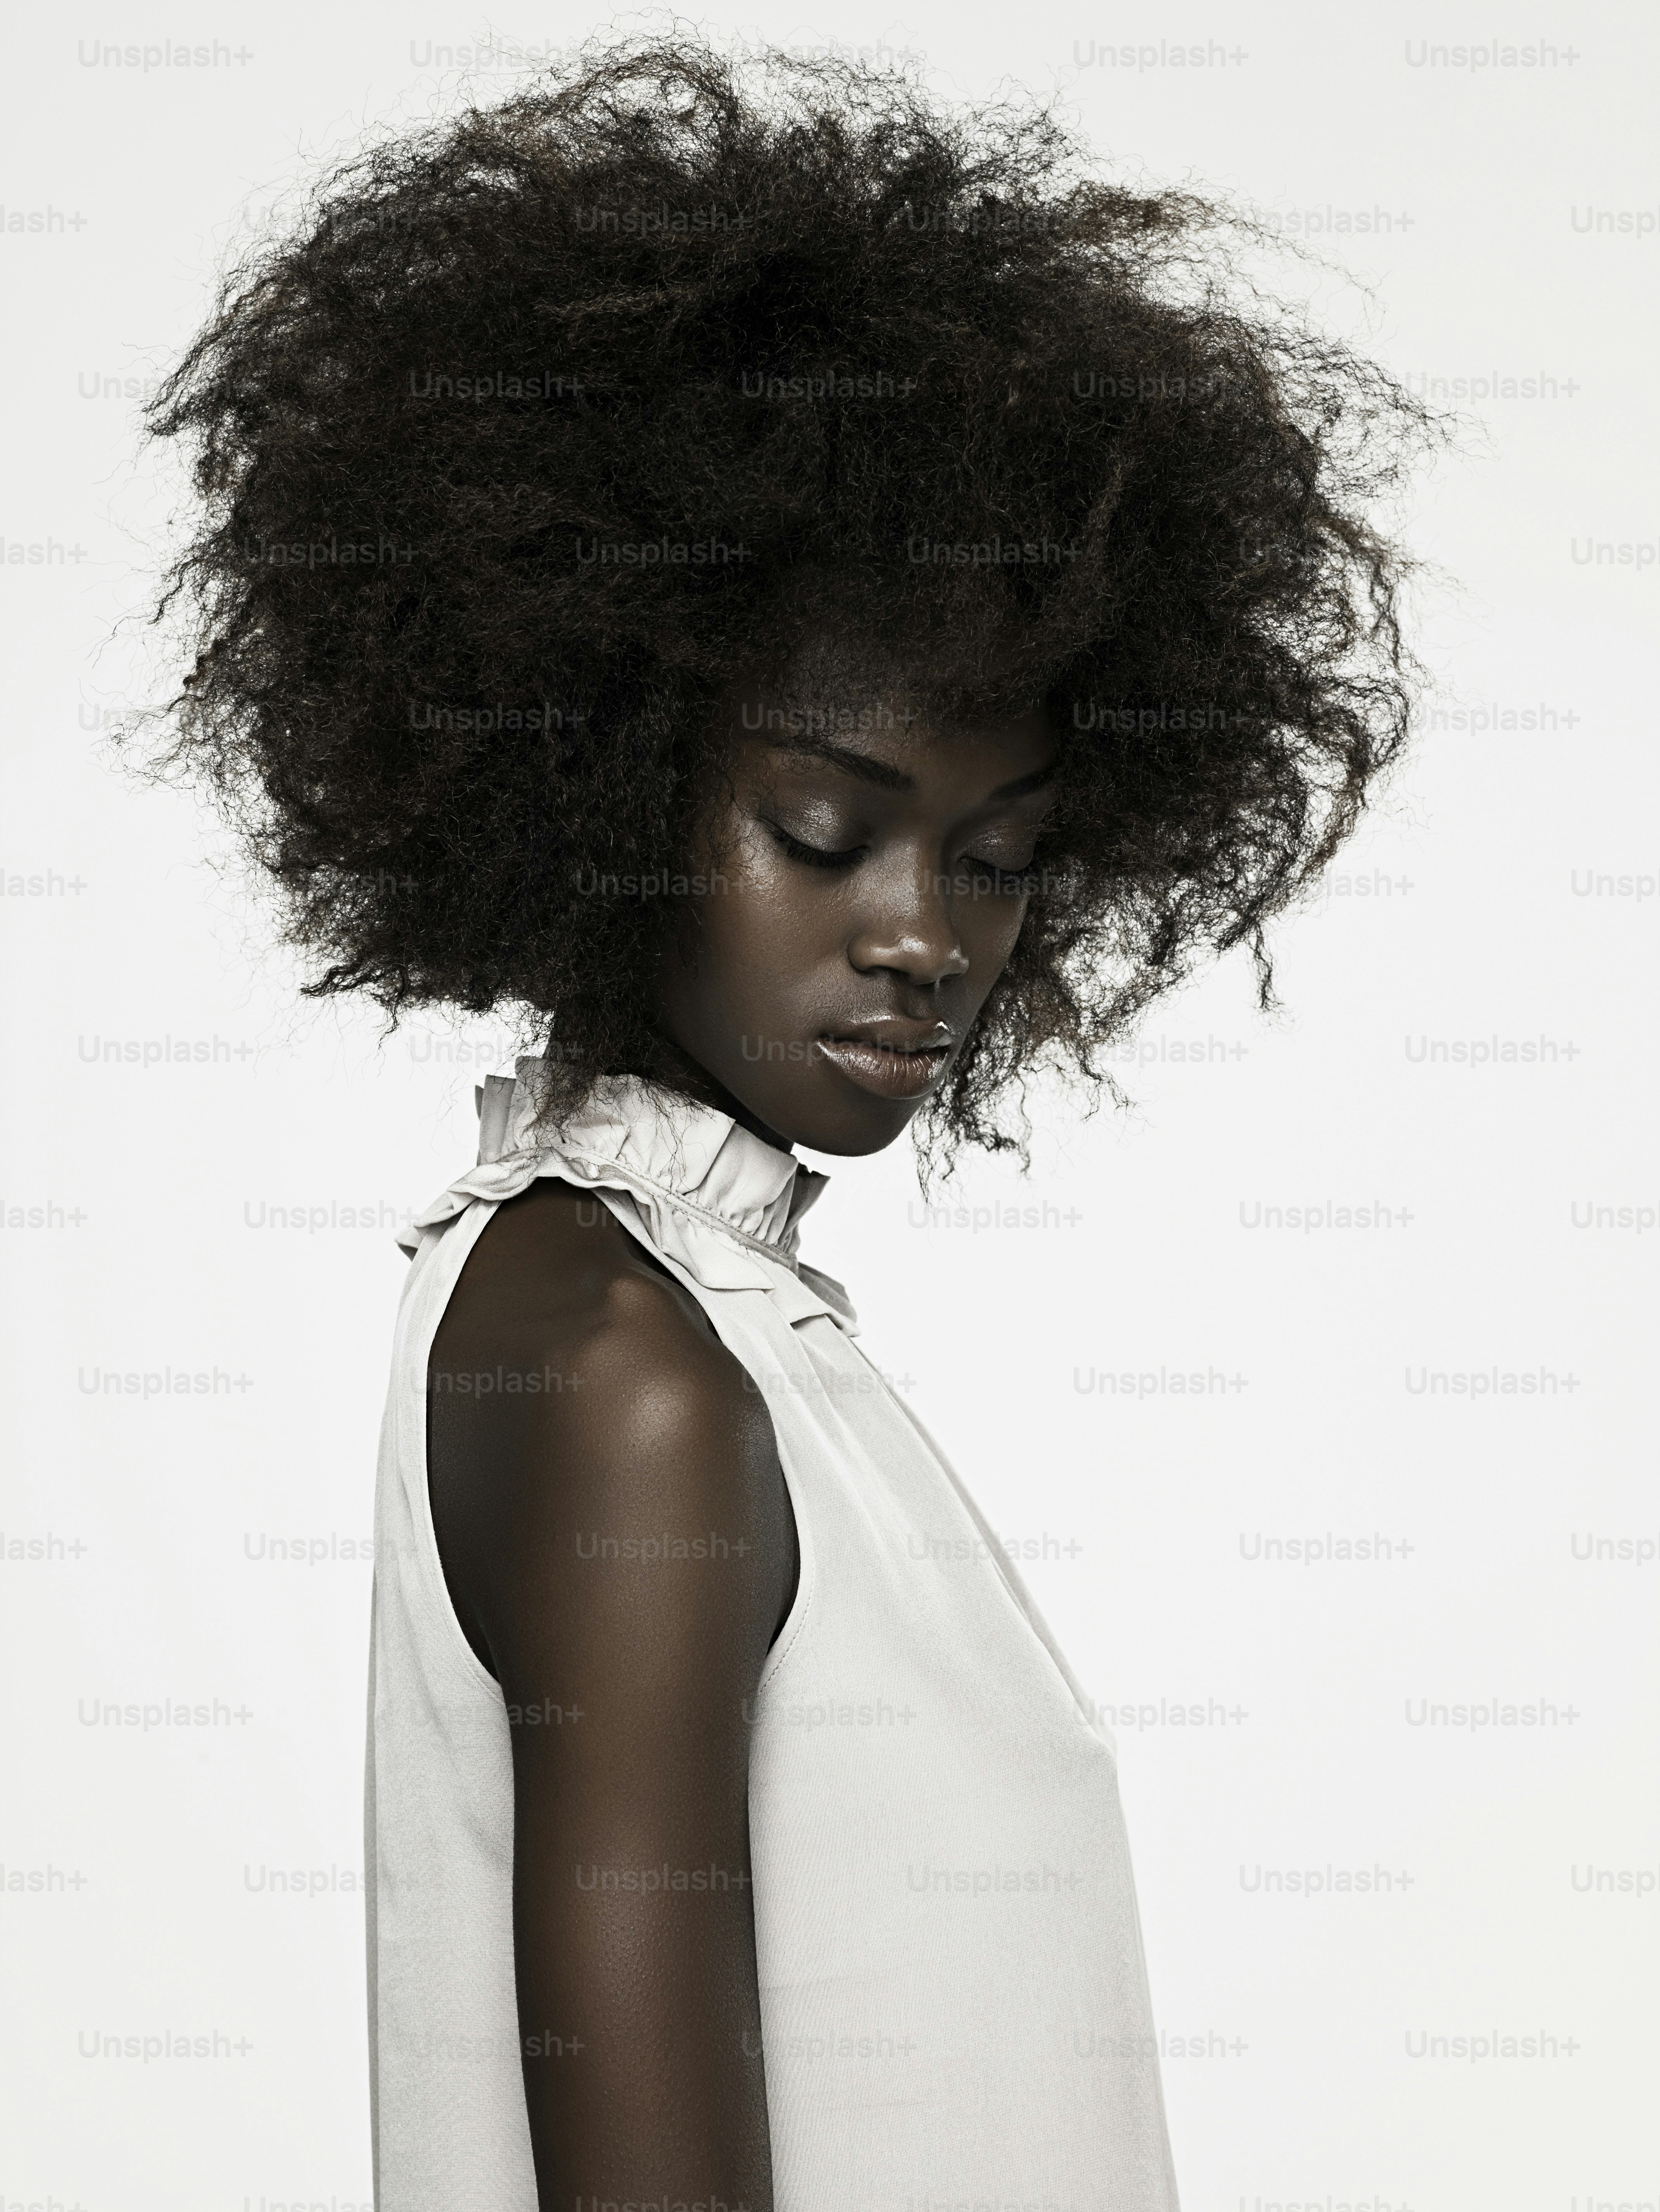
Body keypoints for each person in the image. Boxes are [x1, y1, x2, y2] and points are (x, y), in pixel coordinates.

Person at [139, 35, 1431, 2212]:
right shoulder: (623, 1363)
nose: (924, 935)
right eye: (823, 832)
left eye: (999, 852)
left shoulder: (708, 1324)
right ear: (603, 772)